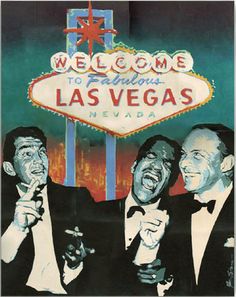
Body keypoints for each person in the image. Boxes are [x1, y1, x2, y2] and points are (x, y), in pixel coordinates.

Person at [1, 126, 95, 296]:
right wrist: (17, 228)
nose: (38, 160)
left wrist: (75, 264)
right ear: (9, 168)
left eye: (42, 151)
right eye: (27, 154)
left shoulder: (77, 198)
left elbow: (102, 257)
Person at [88, 135, 181, 295]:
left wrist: (164, 278)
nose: (157, 166)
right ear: (134, 166)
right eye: (151, 156)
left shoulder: (180, 225)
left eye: (167, 164)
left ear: (171, 181)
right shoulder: (96, 213)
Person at [155, 124, 234, 296]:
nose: (183, 163)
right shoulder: (168, 209)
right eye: (183, 154)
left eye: (197, 155)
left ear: (226, 163)